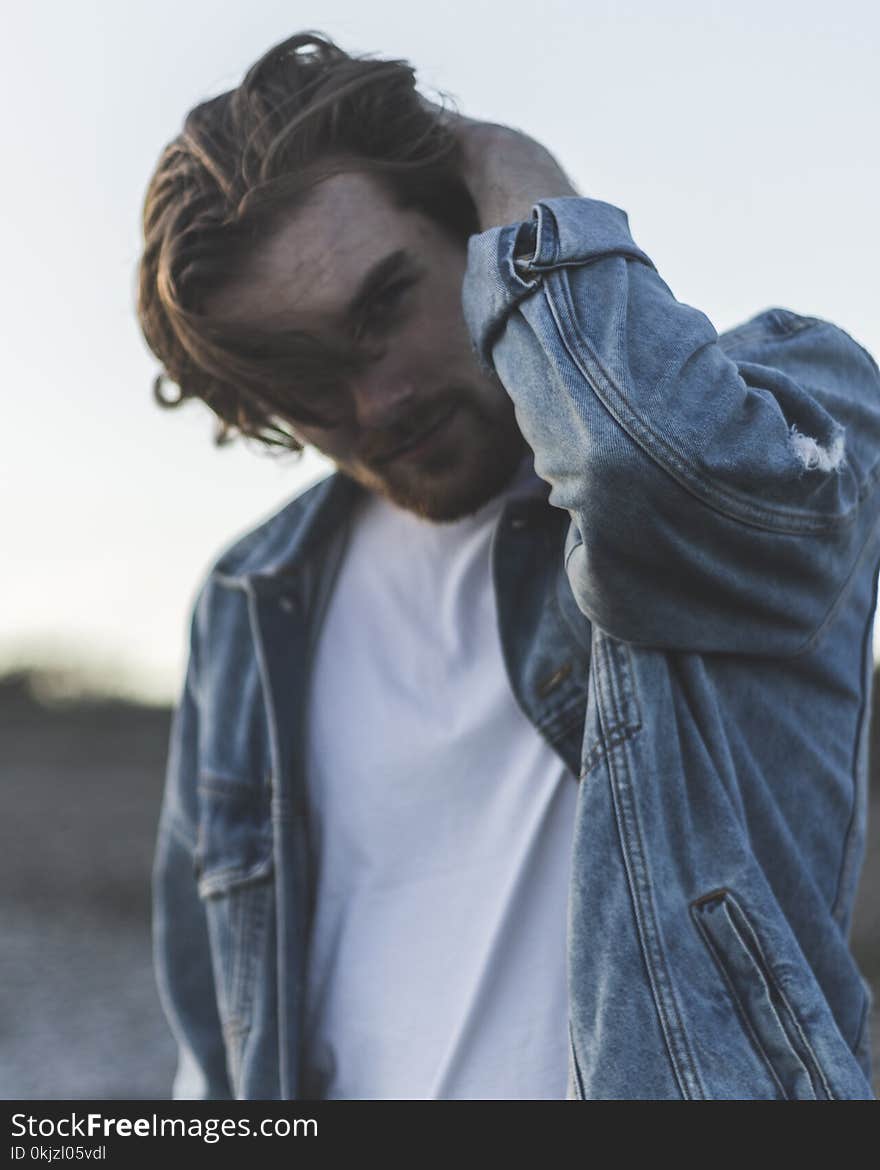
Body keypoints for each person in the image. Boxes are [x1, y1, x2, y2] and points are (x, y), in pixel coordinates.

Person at [138, 31, 880, 1100]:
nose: (376, 403)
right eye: (305, 385)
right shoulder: (253, 602)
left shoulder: (776, 421)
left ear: (474, 228)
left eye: (386, 308)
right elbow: (219, 1043)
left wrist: (493, 156)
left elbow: (638, 470)